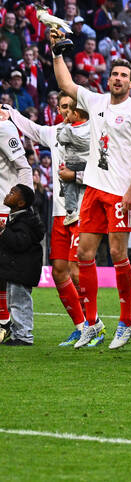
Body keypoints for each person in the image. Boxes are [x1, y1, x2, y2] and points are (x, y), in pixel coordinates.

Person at [51, 28, 131, 350]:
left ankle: (126, 322)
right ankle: (93, 324)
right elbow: (66, 85)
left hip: (119, 193)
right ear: (108, 79)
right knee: (84, 255)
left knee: (120, 254)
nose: (118, 78)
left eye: (124, 75)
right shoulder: (95, 101)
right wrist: (56, 53)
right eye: (114, 74)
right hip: (93, 189)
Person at [2, 97, 86, 345]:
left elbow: (105, 168)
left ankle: (93, 324)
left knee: (76, 270)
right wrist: (11, 111)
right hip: (59, 212)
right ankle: (81, 326)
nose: (65, 112)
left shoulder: (93, 133)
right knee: (60, 272)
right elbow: (32, 129)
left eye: (70, 107)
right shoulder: (56, 132)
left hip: (83, 209)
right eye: (62, 107)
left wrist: (76, 175)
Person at [0, 95, 35, 337]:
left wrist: (23, 208)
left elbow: (24, 167)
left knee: (5, 271)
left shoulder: (3, 127)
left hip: (4, 207)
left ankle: (4, 322)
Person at [0, 184, 45, 346]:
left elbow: (19, 243)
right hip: (15, 270)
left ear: (20, 203)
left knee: (20, 303)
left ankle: (24, 336)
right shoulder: (17, 218)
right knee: (14, 302)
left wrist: (4, 231)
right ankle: (18, 334)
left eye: (12, 193)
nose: (8, 194)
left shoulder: (25, 220)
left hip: (22, 270)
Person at [56, 99, 90, 226]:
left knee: (67, 180)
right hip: (88, 164)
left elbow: (60, 138)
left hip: (73, 163)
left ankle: (71, 211)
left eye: (69, 112)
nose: (66, 115)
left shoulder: (69, 129)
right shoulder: (93, 126)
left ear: (75, 114)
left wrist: (63, 125)